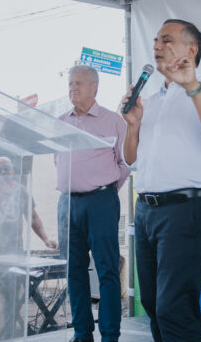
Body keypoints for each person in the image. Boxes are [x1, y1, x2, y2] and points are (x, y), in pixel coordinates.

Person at [122, 19, 201, 342]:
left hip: (184, 209)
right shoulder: (152, 100)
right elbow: (130, 158)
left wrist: (192, 87)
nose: (157, 46)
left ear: (191, 49)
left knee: (175, 305)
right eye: (156, 40)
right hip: (146, 210)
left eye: (167, 40)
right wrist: (132, 125)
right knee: (154, 305)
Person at [57, 64, 130, 342]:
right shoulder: (61, 122)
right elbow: (58, 161)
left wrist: (105, 189)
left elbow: (125, 164)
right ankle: (81, 333)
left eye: (78, 83)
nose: (72, 88)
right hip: (67, 203)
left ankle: (110, 335)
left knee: (106, 269)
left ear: (94, 87)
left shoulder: (113, 121)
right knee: (74, 270)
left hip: (101, 202)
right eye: (70, 84)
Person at [0, 156, 57, 339]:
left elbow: (33, 218)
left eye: (7, 169)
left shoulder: (21, 191)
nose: (4, 173)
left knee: (12, 299)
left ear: (13, 171)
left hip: (14, 251)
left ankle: (8, 335)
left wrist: (46, 239)